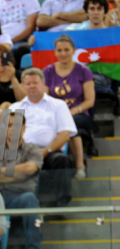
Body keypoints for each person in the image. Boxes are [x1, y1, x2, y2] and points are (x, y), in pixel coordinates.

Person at [0, 111, 44, 249]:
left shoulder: (33, 150)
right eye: (8, 126)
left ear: (23, 128)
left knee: (30, 199)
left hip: (20, 196)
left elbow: (30, 169)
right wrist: (17, 171)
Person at [10, 68, 77, 207]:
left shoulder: (58, 105)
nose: (32, 86)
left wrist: (47, 150)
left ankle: (62, 204)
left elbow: (65, 134)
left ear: (44, 84)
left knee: (62, 160)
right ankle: (16, 203)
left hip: (49, 152)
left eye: (35, 82)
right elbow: (8, 136)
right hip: (23, 153)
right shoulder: (14, 108)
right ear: (22, 86)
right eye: (28, 84)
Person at [43, 35, 95, 178]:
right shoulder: (47, 71)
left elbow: (90, 101)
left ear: (74, 51)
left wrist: (71, 111)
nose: (63, 53)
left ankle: (80, 166)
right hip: (54, 114)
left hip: (79, 113)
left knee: (70, 124)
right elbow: (45, 98)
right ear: (55, 52)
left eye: (67, 50)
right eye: (59, 50)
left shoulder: (84, 71)